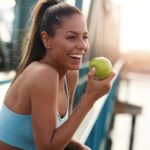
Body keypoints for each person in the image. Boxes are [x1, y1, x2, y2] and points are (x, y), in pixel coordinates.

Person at [0, 0, 115, 149]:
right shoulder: (43, 74)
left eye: (85, 37)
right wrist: (90, 98)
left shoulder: (70, 75)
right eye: (71, 37)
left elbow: (61, 136)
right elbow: (48, 148)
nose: (83, 45)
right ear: (46, 39)